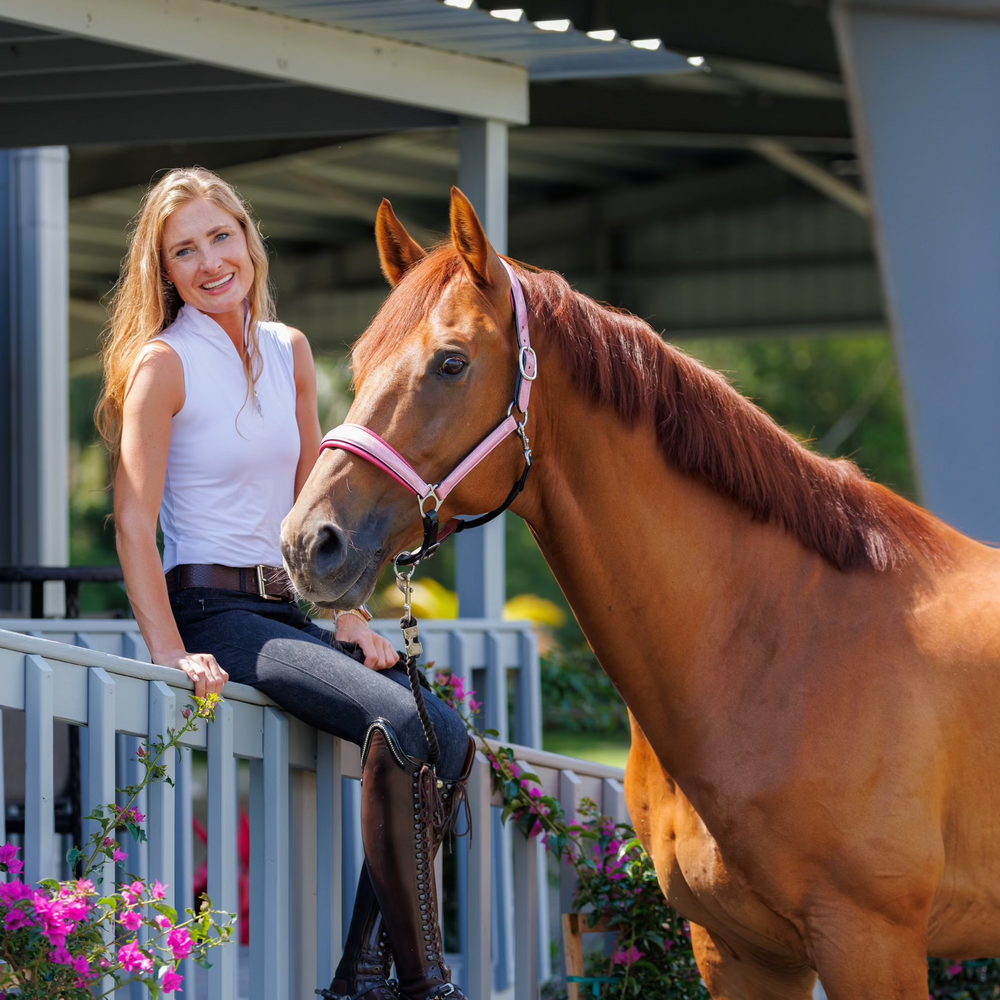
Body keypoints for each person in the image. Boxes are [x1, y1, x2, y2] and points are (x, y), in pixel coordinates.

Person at [95, 167, 473, 1000]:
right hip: (212, 610)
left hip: (284, 605)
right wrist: (168, 649)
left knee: (449, 740)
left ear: (246, 238)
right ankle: (425, 985)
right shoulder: (163, 364)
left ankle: (357, 977)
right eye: (183, 251)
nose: (208, 262)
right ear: (165, 272)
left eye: (219, 237)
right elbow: (132, 521)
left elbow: (315, 501)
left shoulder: (288, 349)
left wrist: (349, 616)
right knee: (400, 720)